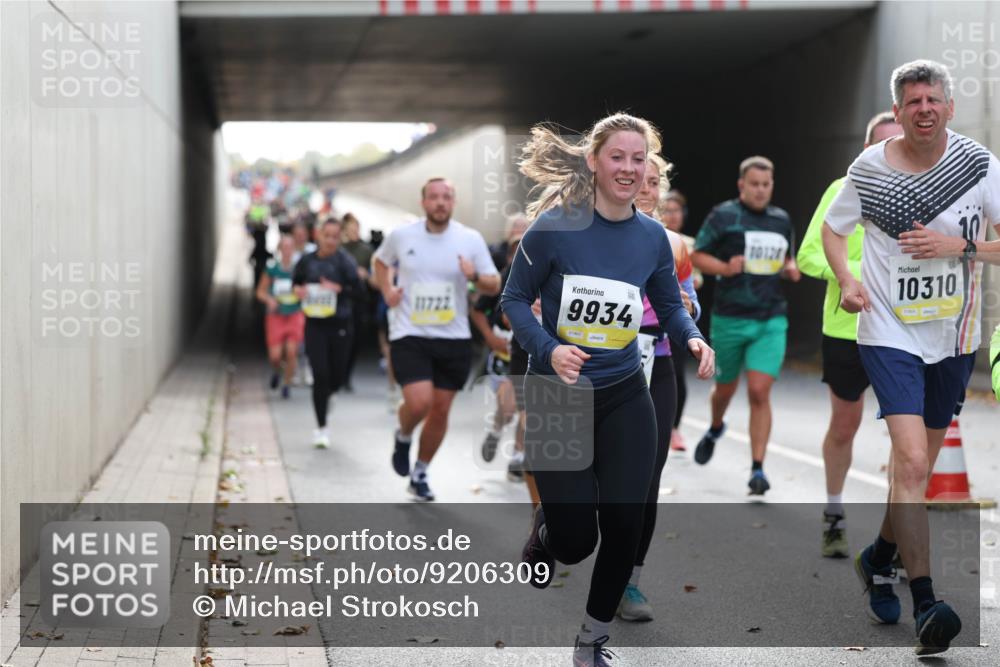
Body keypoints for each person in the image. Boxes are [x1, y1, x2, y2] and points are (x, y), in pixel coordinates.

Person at [502, 113, 714, 666]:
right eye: (617, 157)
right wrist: (549, 348)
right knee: (576, 543)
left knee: (626, 520)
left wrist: (693, 338)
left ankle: (592, 640)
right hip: (559, 393)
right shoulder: (554, 227)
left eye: (638, 159)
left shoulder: (652, 238)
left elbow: (669, 304)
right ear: (594, 161)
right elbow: (513, 300)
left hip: (624, 391)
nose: (628, 168)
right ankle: (547, 531)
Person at [823, 59, 1000, 655]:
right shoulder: (869, 169)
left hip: (953, 335)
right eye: (913, 101)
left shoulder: (978, 164)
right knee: (914, 458)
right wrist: (848, 279)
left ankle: (878, 557)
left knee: (913, 473)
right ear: (897, 112)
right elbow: (832, 230)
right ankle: (927, 601)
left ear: (950, 106)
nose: (924, 109)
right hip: (887, 330)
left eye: (933, 99)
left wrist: (959, 245)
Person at [797, 111, 902, 558]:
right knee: (845, 425)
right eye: (882, 144)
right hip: (846, 329)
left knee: (906, 436)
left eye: (898, 143)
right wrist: (853, 274)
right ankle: (835, 513)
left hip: (903, 330)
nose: (891, 152)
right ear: (865, 149)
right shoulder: (842, 190)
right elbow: (807, 255)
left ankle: (898, 534)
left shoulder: (923, 193)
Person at [373, 178, 500, 501]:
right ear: (423, 202)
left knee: (440, 410)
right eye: (434, 197)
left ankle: (420, 472)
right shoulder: (402, 235)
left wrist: (473, 276)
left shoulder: (469, 239)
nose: (440, 202)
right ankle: (403, 434)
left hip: (453, 337)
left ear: (453, 202)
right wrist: (387, 290)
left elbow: (494, 284)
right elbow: (380, 262)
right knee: (420, 402)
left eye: (446, 197)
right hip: (410, 332)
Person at [616, 152, 700, 623]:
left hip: (657, 361)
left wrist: (690, 311)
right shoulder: (594, 235)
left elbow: (690, 304)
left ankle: (629, 579)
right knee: (594, 472)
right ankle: (557, 521)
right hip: (602, 362)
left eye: (653, 183)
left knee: (647, 478)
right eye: (638, 181)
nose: (645, 190)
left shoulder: (674, 245)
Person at [690, 156, 801, 494]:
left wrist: (791, 269)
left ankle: (757, 469)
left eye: (766, 184)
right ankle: (715, 426)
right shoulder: (723, 216)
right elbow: (696, 255)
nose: (760, 190)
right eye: (754, 184)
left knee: (758, 391)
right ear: (741, 185)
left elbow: (789, 259)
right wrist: (725, 268)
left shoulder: (781, 220)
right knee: (724, 388)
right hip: (730, 318)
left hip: (770, 318)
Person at [292, 218, 361, 449]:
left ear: (339, 238)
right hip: (315, 324)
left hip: (340, 325)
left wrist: (338, 289)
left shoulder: (345, 261)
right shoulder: (307, 261)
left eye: (334, 236)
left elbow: (360, 292)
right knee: (320, 374)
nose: (330, 240)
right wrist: (298, 291)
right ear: (318, 235)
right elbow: (296, 282)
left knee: (336, 375)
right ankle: (321, 428)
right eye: (326, 235)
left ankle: (332, 392)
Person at [658, 189, 702, 452]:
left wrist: (689, 304)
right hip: (640, 326)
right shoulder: (645, 234)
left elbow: (694, 281)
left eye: (676, 211)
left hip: (675, 318)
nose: (672, 215)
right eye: (667, 210)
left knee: (675, 373)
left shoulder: (686, 244)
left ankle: (672, 428)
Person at [255, 235, 306, 398]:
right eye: (284, 247)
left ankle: (286, 383)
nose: (287, 251)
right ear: (279, 249)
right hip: (276, 315)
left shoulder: (299, 269)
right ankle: (277, 370)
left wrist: (302, 294)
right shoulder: (272, 269)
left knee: (291, 351)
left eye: (290, 247)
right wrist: (269, 300)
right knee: (275, 356)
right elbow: (260, 292)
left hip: (294, 314)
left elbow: (307, 288)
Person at [340, 213, 375, 393]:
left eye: (356, 229)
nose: (354, 232)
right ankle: (337, 374)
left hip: (359, 299)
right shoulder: (339, 249)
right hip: (342, 298)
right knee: (341, 339)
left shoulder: (366, 250)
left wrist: (366, 275)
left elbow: (375, 276)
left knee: (355, 340)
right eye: (351, 229)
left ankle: (346, 377)